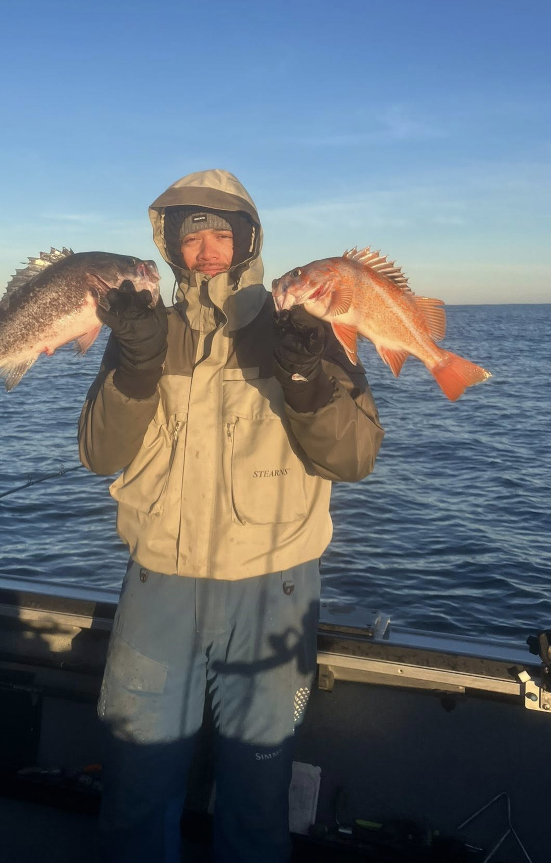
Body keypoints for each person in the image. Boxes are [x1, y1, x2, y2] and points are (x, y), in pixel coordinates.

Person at [79, 169, 384, 862]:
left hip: (273, 589)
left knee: (255, 799)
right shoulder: (142, 329)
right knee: (133, 790)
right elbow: (100, 454)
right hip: (158, 583)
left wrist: (304, 373)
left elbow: (356, 457)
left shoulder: (306, 326)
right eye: (192, 235)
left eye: (223, 232)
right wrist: (134, 365)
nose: (208, 248)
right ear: (170, 246)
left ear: (249, 239)